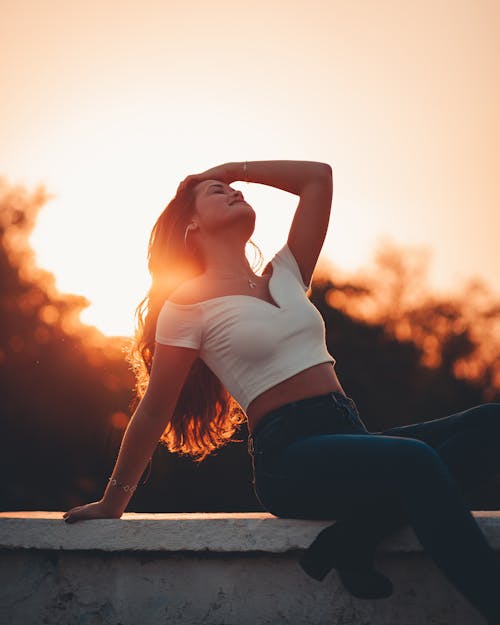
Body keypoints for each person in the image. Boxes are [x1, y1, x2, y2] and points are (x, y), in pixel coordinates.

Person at [63, 160, 500, 624]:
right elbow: (154, 410)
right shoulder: (185, 303)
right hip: (289, 458)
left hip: (347, 433)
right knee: (416, 461)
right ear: (191, 224)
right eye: (217, 192)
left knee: (491, 423)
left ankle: (352, 539)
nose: (233, 192)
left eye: (233, 189)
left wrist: (232, 169)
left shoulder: (286, 273)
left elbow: (319, 177)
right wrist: (114, 501)